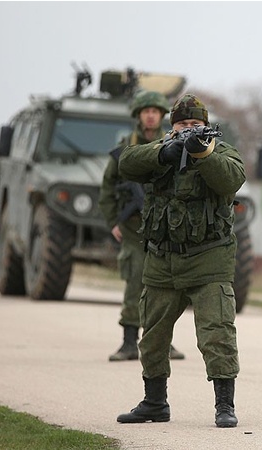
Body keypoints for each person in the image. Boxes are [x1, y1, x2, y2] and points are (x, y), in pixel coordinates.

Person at [116, 94, 245, 428]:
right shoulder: (160, 149)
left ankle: (224, 405)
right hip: (162, 260)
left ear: (206, 126)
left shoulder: (221, 152)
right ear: (170, 127)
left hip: (209, 259)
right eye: (182, 125)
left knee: (217, 334)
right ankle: (154, 403)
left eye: (195, 125)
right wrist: (164, 152)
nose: (188, 130)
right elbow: (126, 163)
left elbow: (231, 178)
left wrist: (203, 153)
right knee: (153, 336)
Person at [99, 90, 185, 362]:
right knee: (135, 281)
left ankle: (162, 341)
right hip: (133, 227)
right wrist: (114, 220)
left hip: (163, 228)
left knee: (165, 287)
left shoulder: (172, 143)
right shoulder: (126, 147)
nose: (150, 115)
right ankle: (128, 342)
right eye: (145, 111)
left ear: (161, 116)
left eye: (155, 111)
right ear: (139, 115)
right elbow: (107, 188)